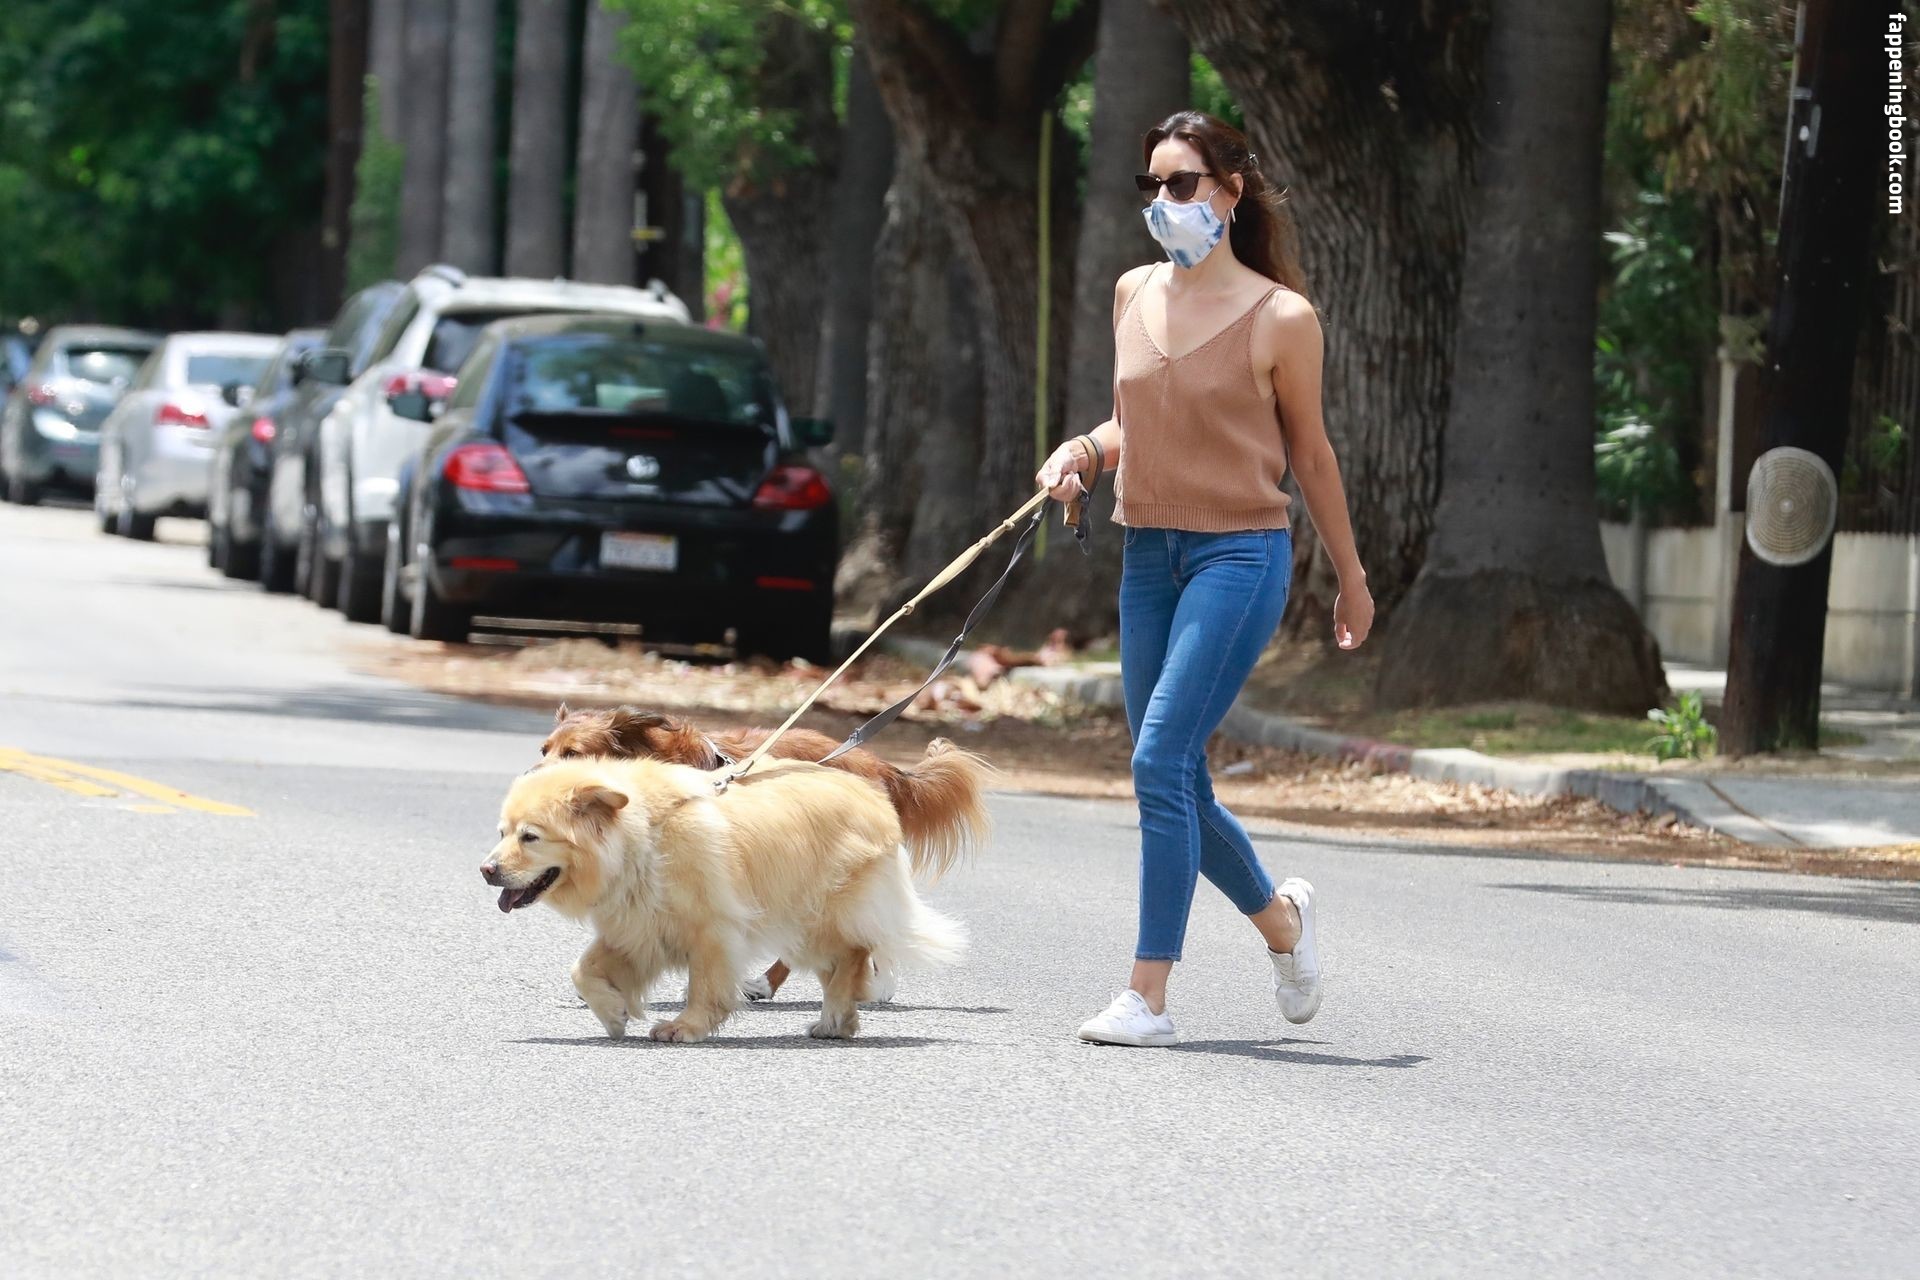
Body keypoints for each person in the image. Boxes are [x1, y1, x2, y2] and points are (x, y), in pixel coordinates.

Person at [1036, 111, 1374, 1048]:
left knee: (1156, 763)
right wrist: (1081, 453)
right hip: (1149, 553)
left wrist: (1350, 577)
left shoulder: (1282, 318)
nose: (1162, 202)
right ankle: (1284, 926)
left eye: (1180, 183)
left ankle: (1146, 997)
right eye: (1151, 185)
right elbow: (1132, 424)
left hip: (1240, 556)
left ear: (1229, 191)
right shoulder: (1132, 292)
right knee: (1177, 772)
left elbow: (1311, 455)